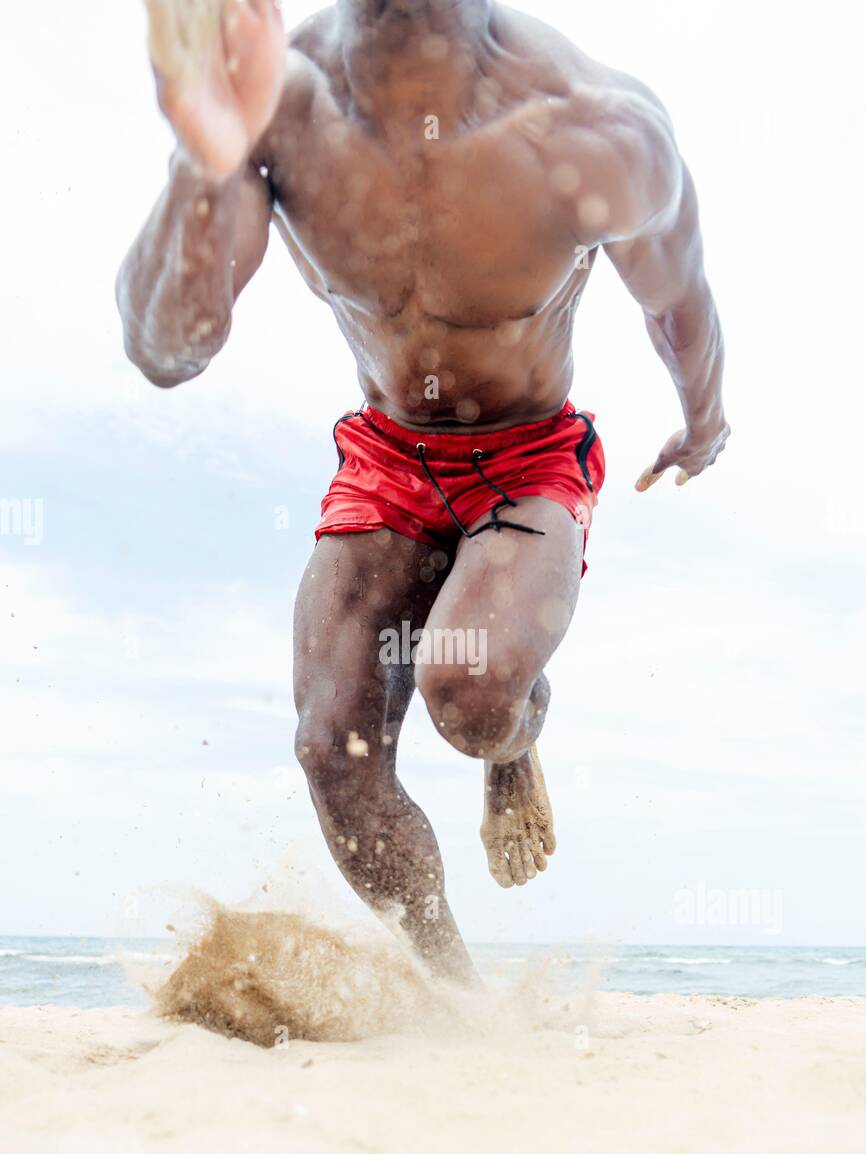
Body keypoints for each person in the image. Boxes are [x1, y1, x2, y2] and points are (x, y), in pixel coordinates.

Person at [117, 0, 729, 982]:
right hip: (389, 456)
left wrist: (703, 424)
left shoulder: (592, 126)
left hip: (525, 458)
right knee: (330, 749)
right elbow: (168, 351)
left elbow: (679, 304)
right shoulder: (280, 101)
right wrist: (203, 160)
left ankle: (510, 746)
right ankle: (452, 990)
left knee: (472, 694)